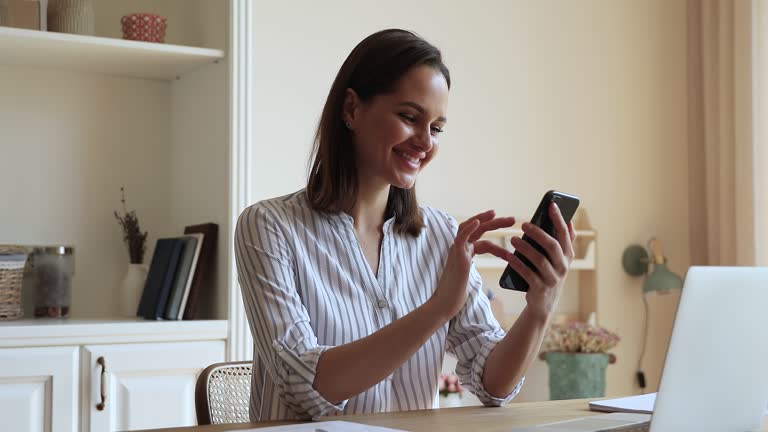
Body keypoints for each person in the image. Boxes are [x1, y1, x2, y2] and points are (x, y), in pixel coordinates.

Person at [234, 28, 576, 422]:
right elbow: (303, 386)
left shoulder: (445, 236)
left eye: (437, 128)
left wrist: (540, 307)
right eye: (410, 117)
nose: (425, 142)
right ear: (351, 109)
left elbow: (493, 385)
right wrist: (437, 309)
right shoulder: (268, 227)